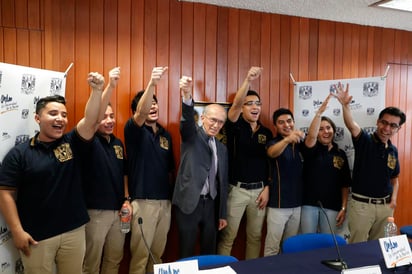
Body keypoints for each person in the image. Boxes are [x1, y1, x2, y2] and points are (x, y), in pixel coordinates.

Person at [0, 71, 108, 274]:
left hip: (74, 231)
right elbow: (6, 192)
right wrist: (16, 231)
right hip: (37, 237)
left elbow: (91, 120)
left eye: (64, 115)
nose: (60, 119)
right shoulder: (20, 153)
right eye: (53, 114)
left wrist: (97, 90)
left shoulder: (72, 142)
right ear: (37, 118)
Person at [333, 83, 405, 243]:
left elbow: (395, 179)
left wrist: (394, 199)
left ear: (398, 129)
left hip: (385, 208)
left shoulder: (393, 150)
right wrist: (345, 106)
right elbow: (351, 125)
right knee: (357, 249)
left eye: (393, 125)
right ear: (378, 122)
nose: (387, 128)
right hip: (362, 206)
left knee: (380, 248)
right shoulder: (365, 140)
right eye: (384, 123)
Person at [218, 66, 273, 259]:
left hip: (260, 192)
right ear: (242, 108)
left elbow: (270, 163)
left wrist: (267, 187)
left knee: (255, 237)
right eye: (249, 104)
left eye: (258, 103)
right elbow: (233, 108)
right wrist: (248, 79)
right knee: (227, 237)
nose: (255, 107)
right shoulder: (234, 124)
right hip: (237, 190)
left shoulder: (266, 133)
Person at [124, 66, 175, 274]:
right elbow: (141, 113)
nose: (152, 106)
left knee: (157, 256)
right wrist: (152, 84)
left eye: (155, 103)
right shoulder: (133, 130)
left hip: (165, 202)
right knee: (140, 257)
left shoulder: (166, 135)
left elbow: (170, 169)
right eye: (148, 104)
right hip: (143, 202)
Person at [173, 75, 229, 259]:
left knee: (209, 252)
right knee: (186, 252)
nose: (216, 125)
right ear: (203, 118)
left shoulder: (221, 148)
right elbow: (186, 120)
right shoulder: (191, 136)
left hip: (211, 205)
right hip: (189, 203)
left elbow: (223, 182)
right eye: (212, 119)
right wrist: (187, 95)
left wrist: (222, 214)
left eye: (220, 122)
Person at [82, 67, 130, 274]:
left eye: (112, 116)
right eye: (104, 116)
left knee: (114, 259)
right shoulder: (88, 140)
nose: (109, 120)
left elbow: (124, 174)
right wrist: (110, 86)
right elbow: (92, 119)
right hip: (96, 212)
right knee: (91, 263)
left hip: (119, 212)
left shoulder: (118, 143)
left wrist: (127, 199)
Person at [300, 94, 351, 236]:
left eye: (328, 128)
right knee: (308, 243)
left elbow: (345, 184)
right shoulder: (310, 147)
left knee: (328, 244)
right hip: (309, 204)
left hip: (332, 207)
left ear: (333, 130)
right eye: (321, 129)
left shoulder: (340, 154)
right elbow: (310, 137)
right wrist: (319, 113)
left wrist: (343, 207)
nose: (325, 131)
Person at [264, 108, 305, 256]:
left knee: (289, 248)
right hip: (278, 205)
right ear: (275, 126)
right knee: (272, 248)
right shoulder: (273, 143)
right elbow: (271, 153)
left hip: (297, 205)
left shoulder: (301, 144)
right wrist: (287, 139)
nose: (286, 125)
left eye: (289, 121)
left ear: (294, 122)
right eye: (281, 123)